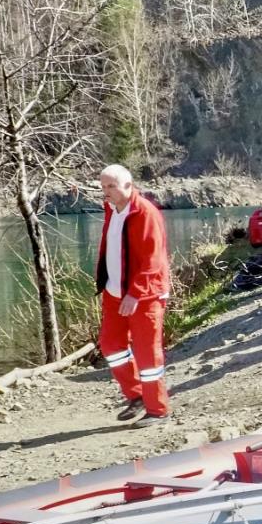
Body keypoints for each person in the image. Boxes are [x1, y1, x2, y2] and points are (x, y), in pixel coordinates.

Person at [95, 164, 173, 426]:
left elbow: (153, 260)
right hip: (115, 292)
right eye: (103, 186)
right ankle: (136, 395)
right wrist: (107, 286)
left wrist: (135, 293)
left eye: (111, 186)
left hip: (145, 296)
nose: (106, 191)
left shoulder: (145, 213)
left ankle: (158, 410)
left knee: (147, 353)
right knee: (110, 345)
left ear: (128, 186)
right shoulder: (112, 209)